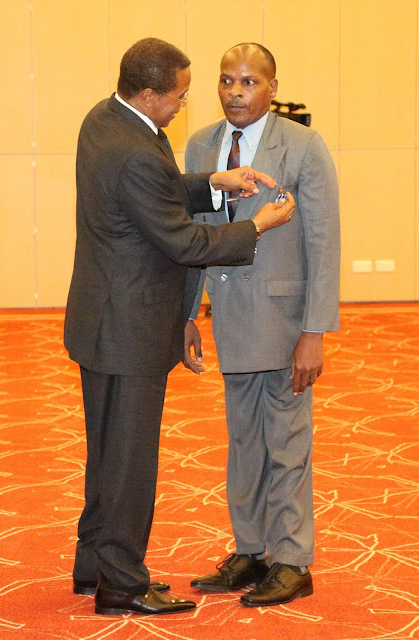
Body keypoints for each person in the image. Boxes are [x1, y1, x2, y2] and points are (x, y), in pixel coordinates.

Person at [63, 37, 296, 617]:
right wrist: (257, 226)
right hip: (131, 330)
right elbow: (183, 241)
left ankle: (94, 565)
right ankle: (123, 583)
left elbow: (153, 190)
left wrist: (213, 182)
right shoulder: (136, 150)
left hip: (101, 320)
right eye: (179, 95)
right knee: (130, 462)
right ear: (149, 93)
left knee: (107, 453)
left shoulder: (105, 119)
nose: (185, 103)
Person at [184, 42, 340, 607]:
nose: (235, 92)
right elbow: (192, 236)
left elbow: (323, 244)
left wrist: (314, 332)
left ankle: (292, 559)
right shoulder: (201, 144)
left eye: (249, 82)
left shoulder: (302, 146)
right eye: (227, 80)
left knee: (287, 443)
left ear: (272, 88)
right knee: (244, 441)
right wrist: (187, 313)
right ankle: (251, 550)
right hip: (228, 319)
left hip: (283, 324)